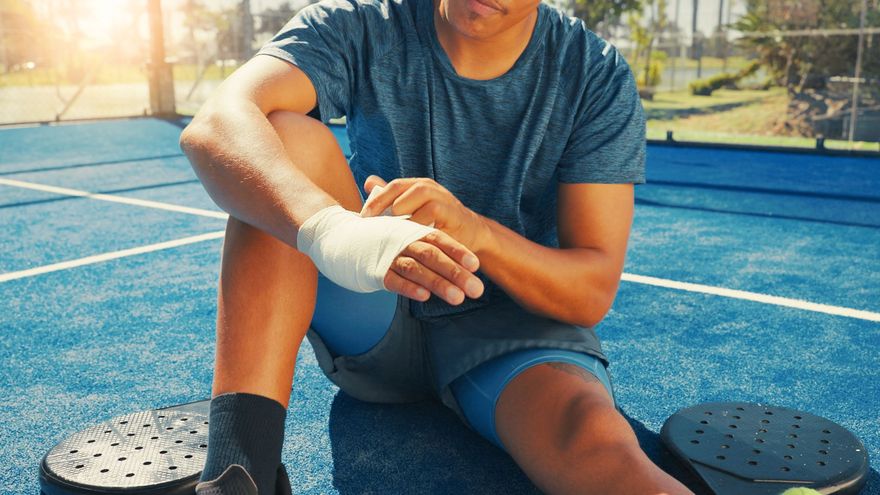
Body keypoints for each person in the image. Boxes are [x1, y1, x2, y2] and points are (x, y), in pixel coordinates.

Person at [180, 0, 693, 492]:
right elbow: (217, 120)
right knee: (281, 136)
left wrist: (475, 231)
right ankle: (236, 474)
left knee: (602, 451)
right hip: (373, 306)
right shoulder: (364, 23)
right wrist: (331, 230)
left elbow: (590, 292)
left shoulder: (592, 73)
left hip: (515, 335)